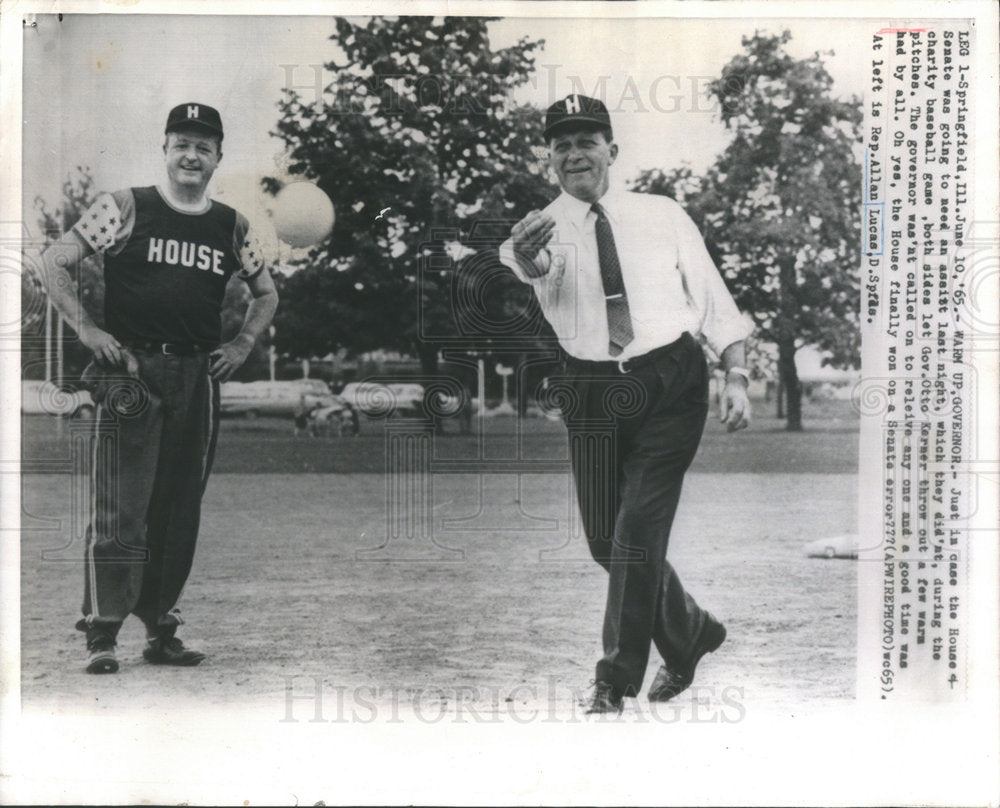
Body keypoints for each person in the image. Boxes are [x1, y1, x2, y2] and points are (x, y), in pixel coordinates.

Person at [497, 94, 753, 714]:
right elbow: (530, 270)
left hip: (671, 381)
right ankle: (691, 631)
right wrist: (526, 256)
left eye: (588, 141)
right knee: (603, 540)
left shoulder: (662, 214)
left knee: (636, 529)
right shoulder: (533, 234)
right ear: (549, 159)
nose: (574, 153)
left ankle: (613, 678)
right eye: (561, 144)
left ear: (613, 150)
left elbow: (713, 297)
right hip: (589, 389)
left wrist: (737, 373)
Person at [40, 103, 279, 674]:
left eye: (203, 146)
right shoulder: (125, 206)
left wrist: (243, 344)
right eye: (181, 143)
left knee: (178, 509)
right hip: (132, 373)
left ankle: (160, 627)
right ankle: (102, 631)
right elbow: (53, 262)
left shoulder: (231, 225)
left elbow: (266, 294)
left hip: (198, 374)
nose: (191, 155)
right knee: (122, 506)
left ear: (219, 156)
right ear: (165, 150)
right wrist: (87, 327)